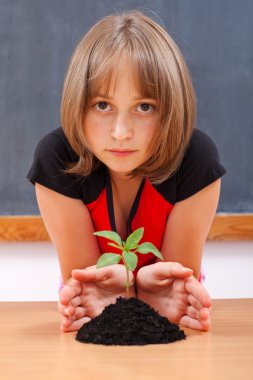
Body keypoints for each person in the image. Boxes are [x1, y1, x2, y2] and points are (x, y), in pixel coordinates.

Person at [27, 11, 226, 333]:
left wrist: (153, 290)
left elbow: (175, 285)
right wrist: (115, 292)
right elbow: (86, 284)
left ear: (172, 108)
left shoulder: (196, 158)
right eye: (102, 105)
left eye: (144, 106)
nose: (121, 133)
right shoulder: (56, 158)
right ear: (78, 104)